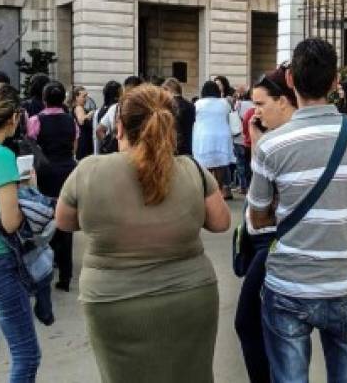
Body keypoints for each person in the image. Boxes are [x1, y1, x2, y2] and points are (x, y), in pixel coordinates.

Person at [55, 84, 231, 383]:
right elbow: (220, 222)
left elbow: (65, 221)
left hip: (112, 301)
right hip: (189, 296)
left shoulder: (89, 170)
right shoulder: (190, 169)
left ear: (120, 126)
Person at [248, 38, 347, 383]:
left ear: (290, 82)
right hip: (342, 283)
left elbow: (256, 219)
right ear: (336, 82)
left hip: (288, 285)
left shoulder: (271, 145)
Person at [235, 67, 296, 383]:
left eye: (260, 104)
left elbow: (266, 204)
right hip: (265, 239)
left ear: (283, 101)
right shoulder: (271, 138)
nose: (253, 112)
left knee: (248, 320)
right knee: (261, 322)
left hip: (275, 240)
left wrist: (260, 146)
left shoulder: (283, 143)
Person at [0, 82, 41, 381]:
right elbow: (10, 222)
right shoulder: (1, 157)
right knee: (26, 354)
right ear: (13, 118)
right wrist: (27, 190)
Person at [27, 80, 77, 292]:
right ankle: (66, 275)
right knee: (66, 218)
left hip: (46, 171)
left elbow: (30, 143)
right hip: (67, 169)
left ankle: (47, 266)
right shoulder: (70, 120)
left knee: (46, 216)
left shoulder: (35, 120)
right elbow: (74, 143)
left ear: (44, 99)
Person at [193, 80, 233, 193]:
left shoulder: (198, 104)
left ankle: (207, 191)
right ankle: (219, 189)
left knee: (205, 165)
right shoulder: (224, 103)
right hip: (222, 136)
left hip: (204, 136)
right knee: (220, 165)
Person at [96, 75, 142, 149]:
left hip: (119, 152)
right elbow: (99, 130)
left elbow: (99, 130)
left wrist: (107, 144)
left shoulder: (115, 108)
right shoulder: (145, 109)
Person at [162, 77, 195, 155]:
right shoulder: (191, 105)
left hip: (174, 150)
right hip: (188, 148)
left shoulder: (169, 106)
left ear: (168, 90)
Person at [232, 86, 254, 194]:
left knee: (240, 163)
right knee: (250, 164)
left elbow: (234, 116)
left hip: (239, 138)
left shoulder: (239, 104)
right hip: (253, 139)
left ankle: (242, 186)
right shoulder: (257, 105)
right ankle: (251, 186)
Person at [93, 80, 122, 155]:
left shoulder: (99, 111)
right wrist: (110, 144)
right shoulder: (115, 109)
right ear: (116, 97)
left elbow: (97, 132)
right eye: (122, 92)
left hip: (102, 151)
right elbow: (99, 130)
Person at [69, 86, 94, 161]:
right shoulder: (78, 108)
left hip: (82, 141)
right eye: (84, 96)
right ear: (76, 97)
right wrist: (90, 114)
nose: (86, 99)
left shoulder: (77, 108)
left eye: (86, 96)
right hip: (83, 142)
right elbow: (81, 121)